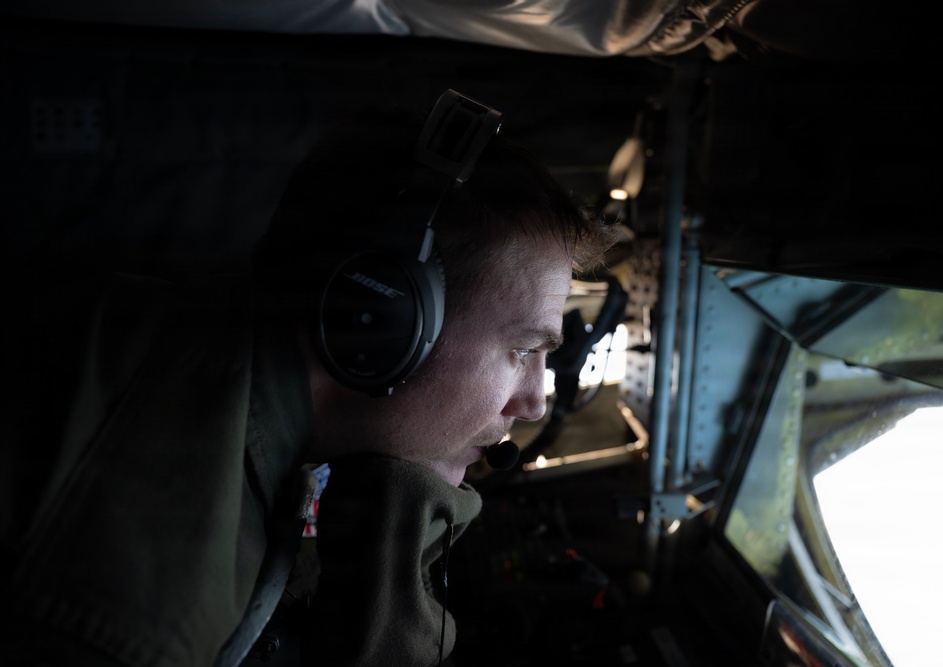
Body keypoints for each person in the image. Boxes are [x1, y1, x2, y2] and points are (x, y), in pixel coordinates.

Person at [1, 90, 615, 666]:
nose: (533, 404)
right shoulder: (152, 600)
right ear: (384, 313)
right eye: (522, 349)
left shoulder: (197, 366)